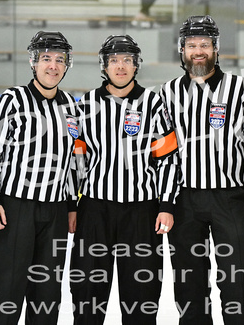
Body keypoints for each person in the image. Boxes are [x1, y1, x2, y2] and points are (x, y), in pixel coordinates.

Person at [70, 34, 180, 324]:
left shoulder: (153, 103)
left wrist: (166, 204)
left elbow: (167, 159)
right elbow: (75, 160)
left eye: (127, 60)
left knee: (142, 297)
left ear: (136, 65)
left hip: (141, 213)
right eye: (114, 60)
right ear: (104, 66)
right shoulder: (86, 104)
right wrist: (71, 204)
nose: (121, 66)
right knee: (87, 294)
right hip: (94, 210)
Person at [159, 15, 244, 325]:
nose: (198, 51)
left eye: (205, 44)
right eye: (192, 45)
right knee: (189, 284)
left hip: (230, 199)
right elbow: (163, 154)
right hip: (184, 200)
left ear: (217, 48)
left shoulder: (240, 89)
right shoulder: (168, 92)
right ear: (182, 49)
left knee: (236, 280)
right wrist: (164, 202)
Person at [0, 31, 80, 324]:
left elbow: (74, 163)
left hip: (56, 212)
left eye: (60, 60)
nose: (53, 66)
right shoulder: (12, 100)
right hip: (15, 208)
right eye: (46, 58)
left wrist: (71, 206)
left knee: (47, 293)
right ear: (34, 62)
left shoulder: (72, 107)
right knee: (6, 288)